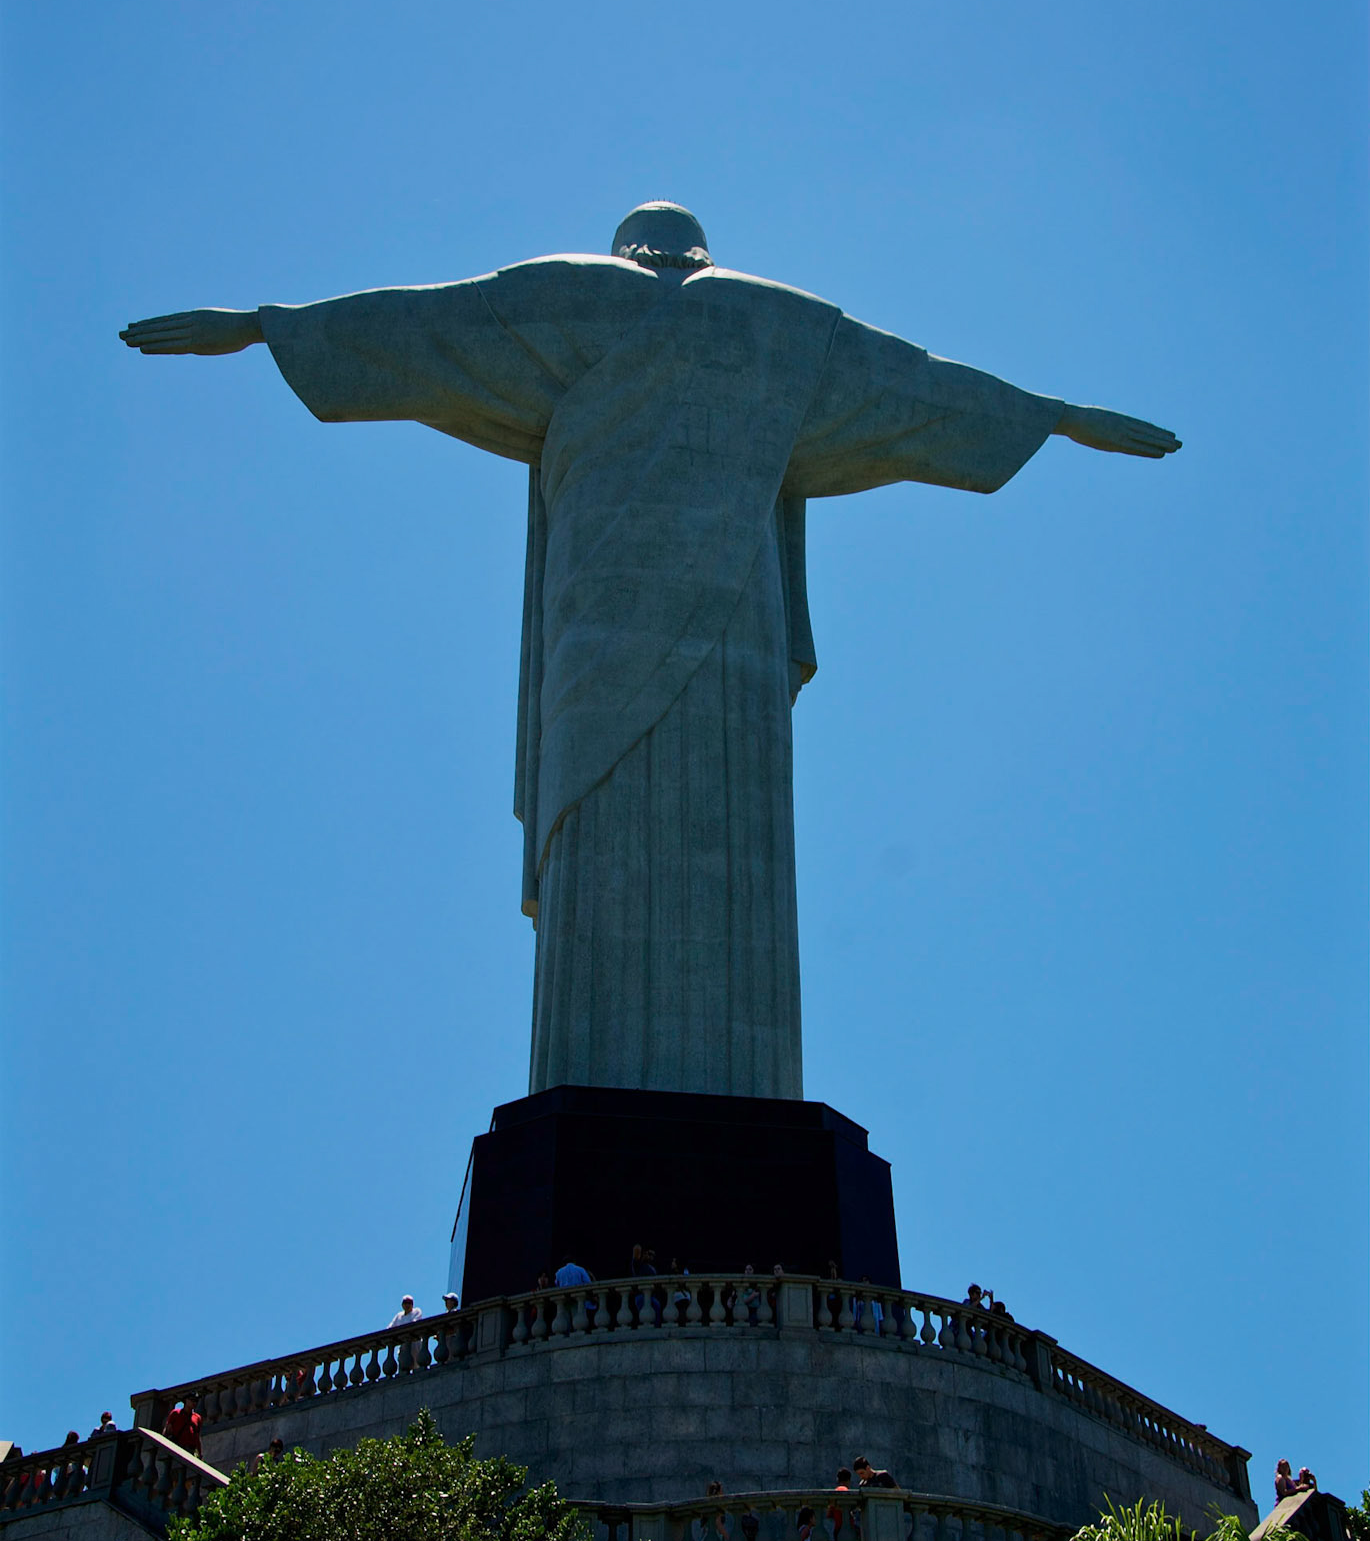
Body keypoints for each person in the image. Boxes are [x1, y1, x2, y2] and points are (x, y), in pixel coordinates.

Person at [118, 206, 1178, 1107]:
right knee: (711, 819)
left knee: (601, 811)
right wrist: (1054, 416)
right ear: (697, 253)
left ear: (627, 248)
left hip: (598, 610)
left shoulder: (571, 294)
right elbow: (921, 387)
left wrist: (264, 326)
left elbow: (423, 326)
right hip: (736, 633)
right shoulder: (779, 320)